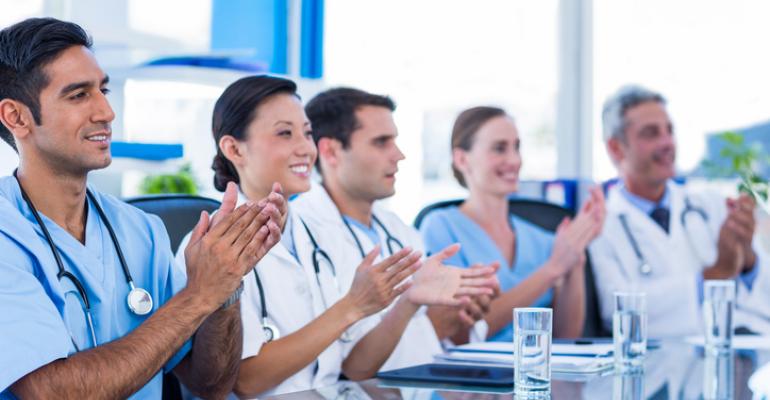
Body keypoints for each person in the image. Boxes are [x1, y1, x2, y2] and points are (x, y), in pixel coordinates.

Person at [0, 18, 284, 399]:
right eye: (78, 95)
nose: (106, 112)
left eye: (103, 90)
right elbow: (55, 393)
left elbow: (210, 384)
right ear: (16, 117)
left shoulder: (141, 230)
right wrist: (197, 296)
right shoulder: (7, 235)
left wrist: (225, 283)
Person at [176, 76, 498, 398]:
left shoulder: (324, 234)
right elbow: (245, 381)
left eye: (307, 133)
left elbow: (355, 366)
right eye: (285, 133)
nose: (305, 148)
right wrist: (352, 306)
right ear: (234, 148)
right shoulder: (208, 248)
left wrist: (409, 299)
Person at [296, 87, 501, 355]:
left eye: (394, 141)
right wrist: (431, 327)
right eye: (381, 142)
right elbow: (341, 361)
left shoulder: (401, 233)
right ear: (331, 151)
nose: (398, 155)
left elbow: (439, 341)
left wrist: (463, 311)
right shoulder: (300, 232)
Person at [589, 84, 770, 337]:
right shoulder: (600, 225)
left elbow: (762, 295)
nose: (667, 143)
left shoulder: (711, 205)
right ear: (616, 148)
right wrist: (715, 275)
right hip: (663, 366)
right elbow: (616, 311)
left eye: (669, 131)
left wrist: (748, 258)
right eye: (651, 133)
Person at [419, 106, 606, 341]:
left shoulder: (544, 240)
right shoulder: (441, 227)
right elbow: (458, 334)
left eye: (516, 147)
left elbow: (566, 336)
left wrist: (575, 254)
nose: (514, 160)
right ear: (462, 159)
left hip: (534, 374)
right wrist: (552, 270)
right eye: (499, 149)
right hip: (473, 374)